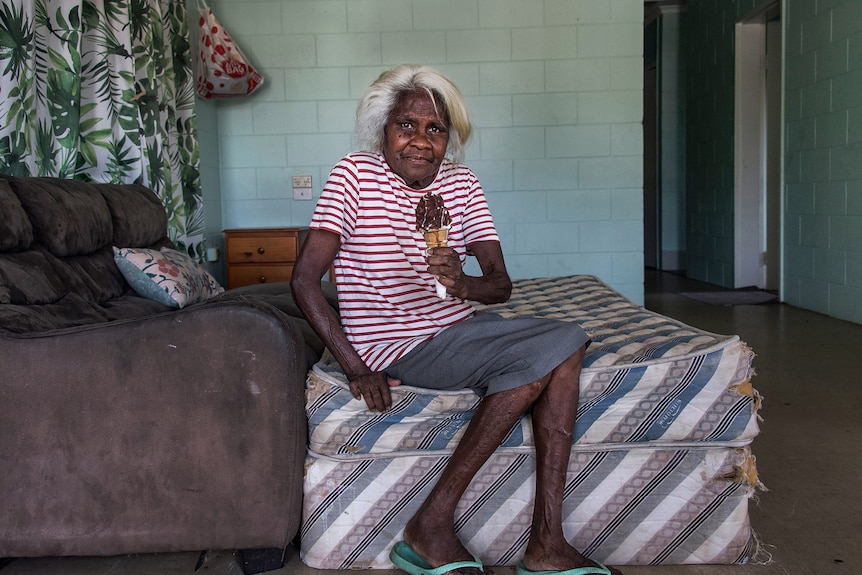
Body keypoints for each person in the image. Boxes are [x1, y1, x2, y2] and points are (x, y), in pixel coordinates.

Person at [291, 64, 622, 575]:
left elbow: (501, 284)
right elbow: (304, 280)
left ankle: (542, 542)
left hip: (459, 326)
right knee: (556, 350)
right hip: (397, 344)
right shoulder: (353, 175)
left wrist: (463, 284)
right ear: (383, 131)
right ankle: (458, 527)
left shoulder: (461, 183)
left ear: (449, 137)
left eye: (435, 129)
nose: (420, 141)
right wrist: (356, 368)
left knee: (564, 340)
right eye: (407, 126)